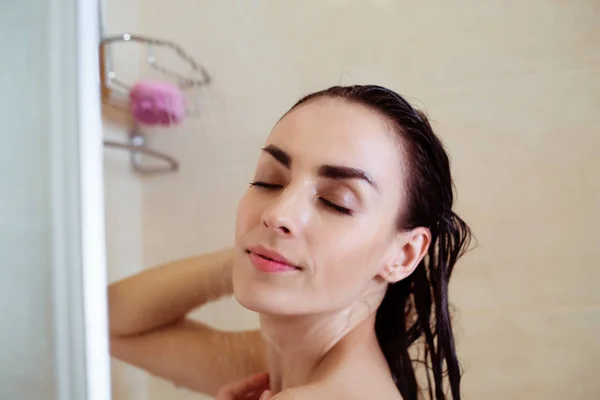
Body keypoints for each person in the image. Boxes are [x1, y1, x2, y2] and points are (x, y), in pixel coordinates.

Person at [108, 85, 473, 400]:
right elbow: (106, 320)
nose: (278, 213)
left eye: (336, 202)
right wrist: (255, 250)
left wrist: (264, 248)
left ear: (403, 253)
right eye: (270, 181)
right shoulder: (278, 365)